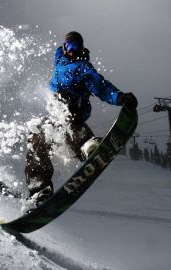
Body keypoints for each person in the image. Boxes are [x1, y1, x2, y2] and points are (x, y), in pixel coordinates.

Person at [25, 31, 137, 207]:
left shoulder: (83, 67)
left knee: (69, 118)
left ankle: (87, 145)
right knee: (36, 136)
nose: (73, 51)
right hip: (55, 117)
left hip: (73, 113)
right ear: (64, 47)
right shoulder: (59, 59)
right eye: (70, 47)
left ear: (82, 48)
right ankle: (39, 190)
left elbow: (101, 87)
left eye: (77, 47)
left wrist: (119, 97)